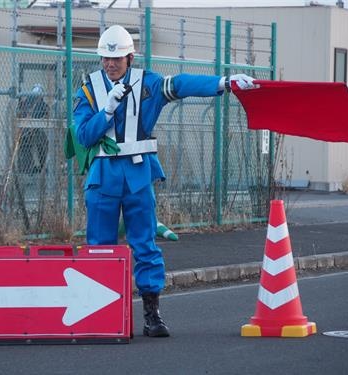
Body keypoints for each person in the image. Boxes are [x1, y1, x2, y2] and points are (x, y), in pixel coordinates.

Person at [73, 25, 254, 338]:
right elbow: (84, 135)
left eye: (116, 58)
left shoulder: (148, 83)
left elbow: (181, 84)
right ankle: (102, 314)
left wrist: (225, 82)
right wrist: (107, 109)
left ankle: (151, 314)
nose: (110, 64)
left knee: (144, 244)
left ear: (130, 57)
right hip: (102, 177)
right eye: (105, 58)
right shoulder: (88, 88)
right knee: (100, 249)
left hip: (138, 176)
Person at [17, 84, 49, 174]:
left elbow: (46, 115)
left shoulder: (43, 105)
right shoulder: (25, 103)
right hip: (26, 131)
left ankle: (41, 167)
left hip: (38, 130)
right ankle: (27, 169)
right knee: (25, 144)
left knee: (43, 142)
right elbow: (20, 115)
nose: (37, 98)